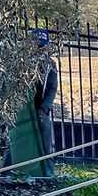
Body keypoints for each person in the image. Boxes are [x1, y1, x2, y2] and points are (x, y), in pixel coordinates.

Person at [34, 31, 58, 176]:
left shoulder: (50, 64)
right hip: (21, 109)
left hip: (41, 107)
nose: (39, 48)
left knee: (46, 141)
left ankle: (48, 173)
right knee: (15, 140)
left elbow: (52, 88)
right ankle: (7, 171)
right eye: (37, 45)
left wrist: (44, 107)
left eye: (42, 46)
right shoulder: (19, 61)